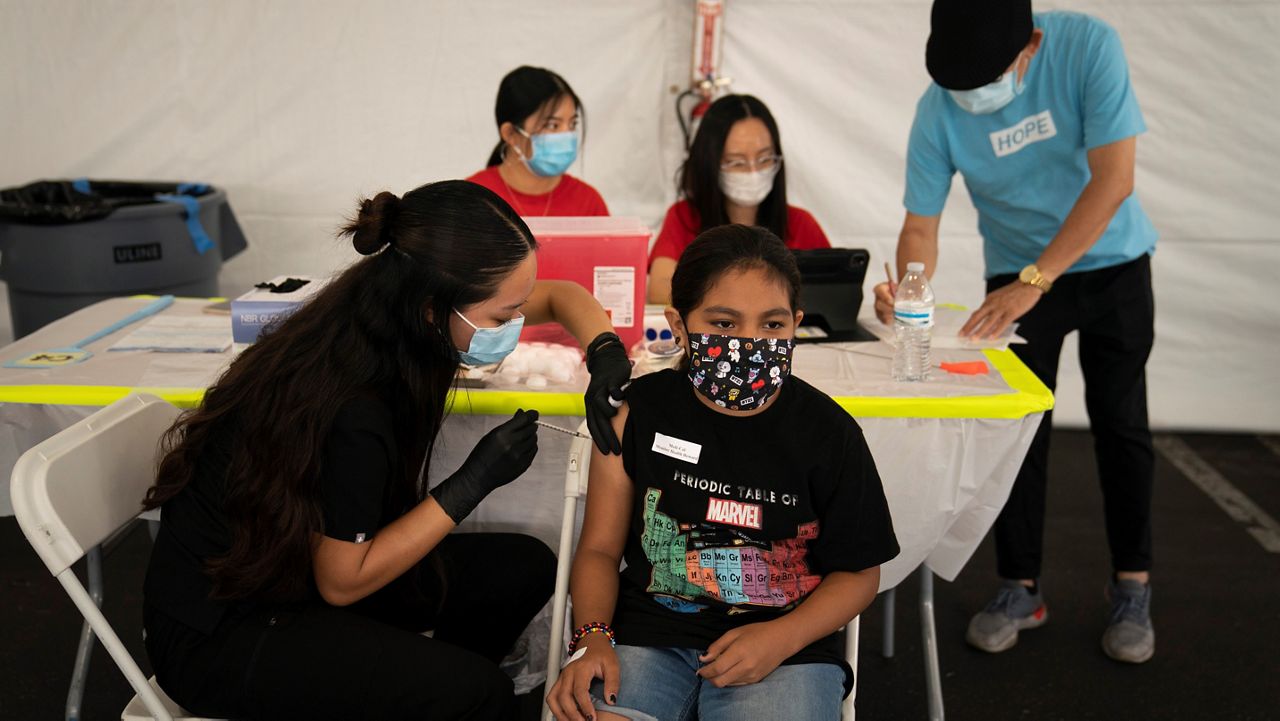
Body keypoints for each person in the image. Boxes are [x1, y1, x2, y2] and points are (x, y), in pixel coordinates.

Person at [141, 180, 633, 720]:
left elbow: (562, 295)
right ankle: (447, 698)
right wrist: (472, 482)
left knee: (524, 568)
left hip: (289, 565)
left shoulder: (385, 302)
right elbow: (341, 582)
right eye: (501, 318)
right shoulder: (355, 401)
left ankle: (426, 695)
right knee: (480, 692)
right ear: (432, 309)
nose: (514, 325)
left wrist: (605, 350)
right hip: (227, 628)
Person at [874, 0, 1159, 663]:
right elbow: (921, 225)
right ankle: (1019, 585)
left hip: (1111, 261)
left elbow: (1114, 179)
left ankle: (1133, 583)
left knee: (1122, 422)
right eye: (959, 87)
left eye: (986, 81)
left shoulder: (1088, 46)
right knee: (1018, 428)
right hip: (1015, 277)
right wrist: (912, 289)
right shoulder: (936, 108)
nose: (973, 98)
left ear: (1030, 45)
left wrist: (1039, 278)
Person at [549, 225, 899, 721]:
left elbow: (860, 573)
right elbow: (600, 550)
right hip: (648, 636)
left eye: (773, 325)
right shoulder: (636, 414)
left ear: (797, 323)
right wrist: (591, 638)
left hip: (788, 649)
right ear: (679, 324)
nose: (751, 343)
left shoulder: (830, 434)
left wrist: (782, 636)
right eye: (725, 324)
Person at [647, 94, 831, 304]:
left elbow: (835, 291)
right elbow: (659, 290)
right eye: (736, 162)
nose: (753, 171)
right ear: (710, 165)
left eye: (764, 159)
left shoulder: (799, 223)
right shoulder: (685, 218)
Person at [468, 65, 608, 217]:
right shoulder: (472, 199)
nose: (566, 135)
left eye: (572, 124)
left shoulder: (588, 202)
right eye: (552, 125)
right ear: (510, 134)